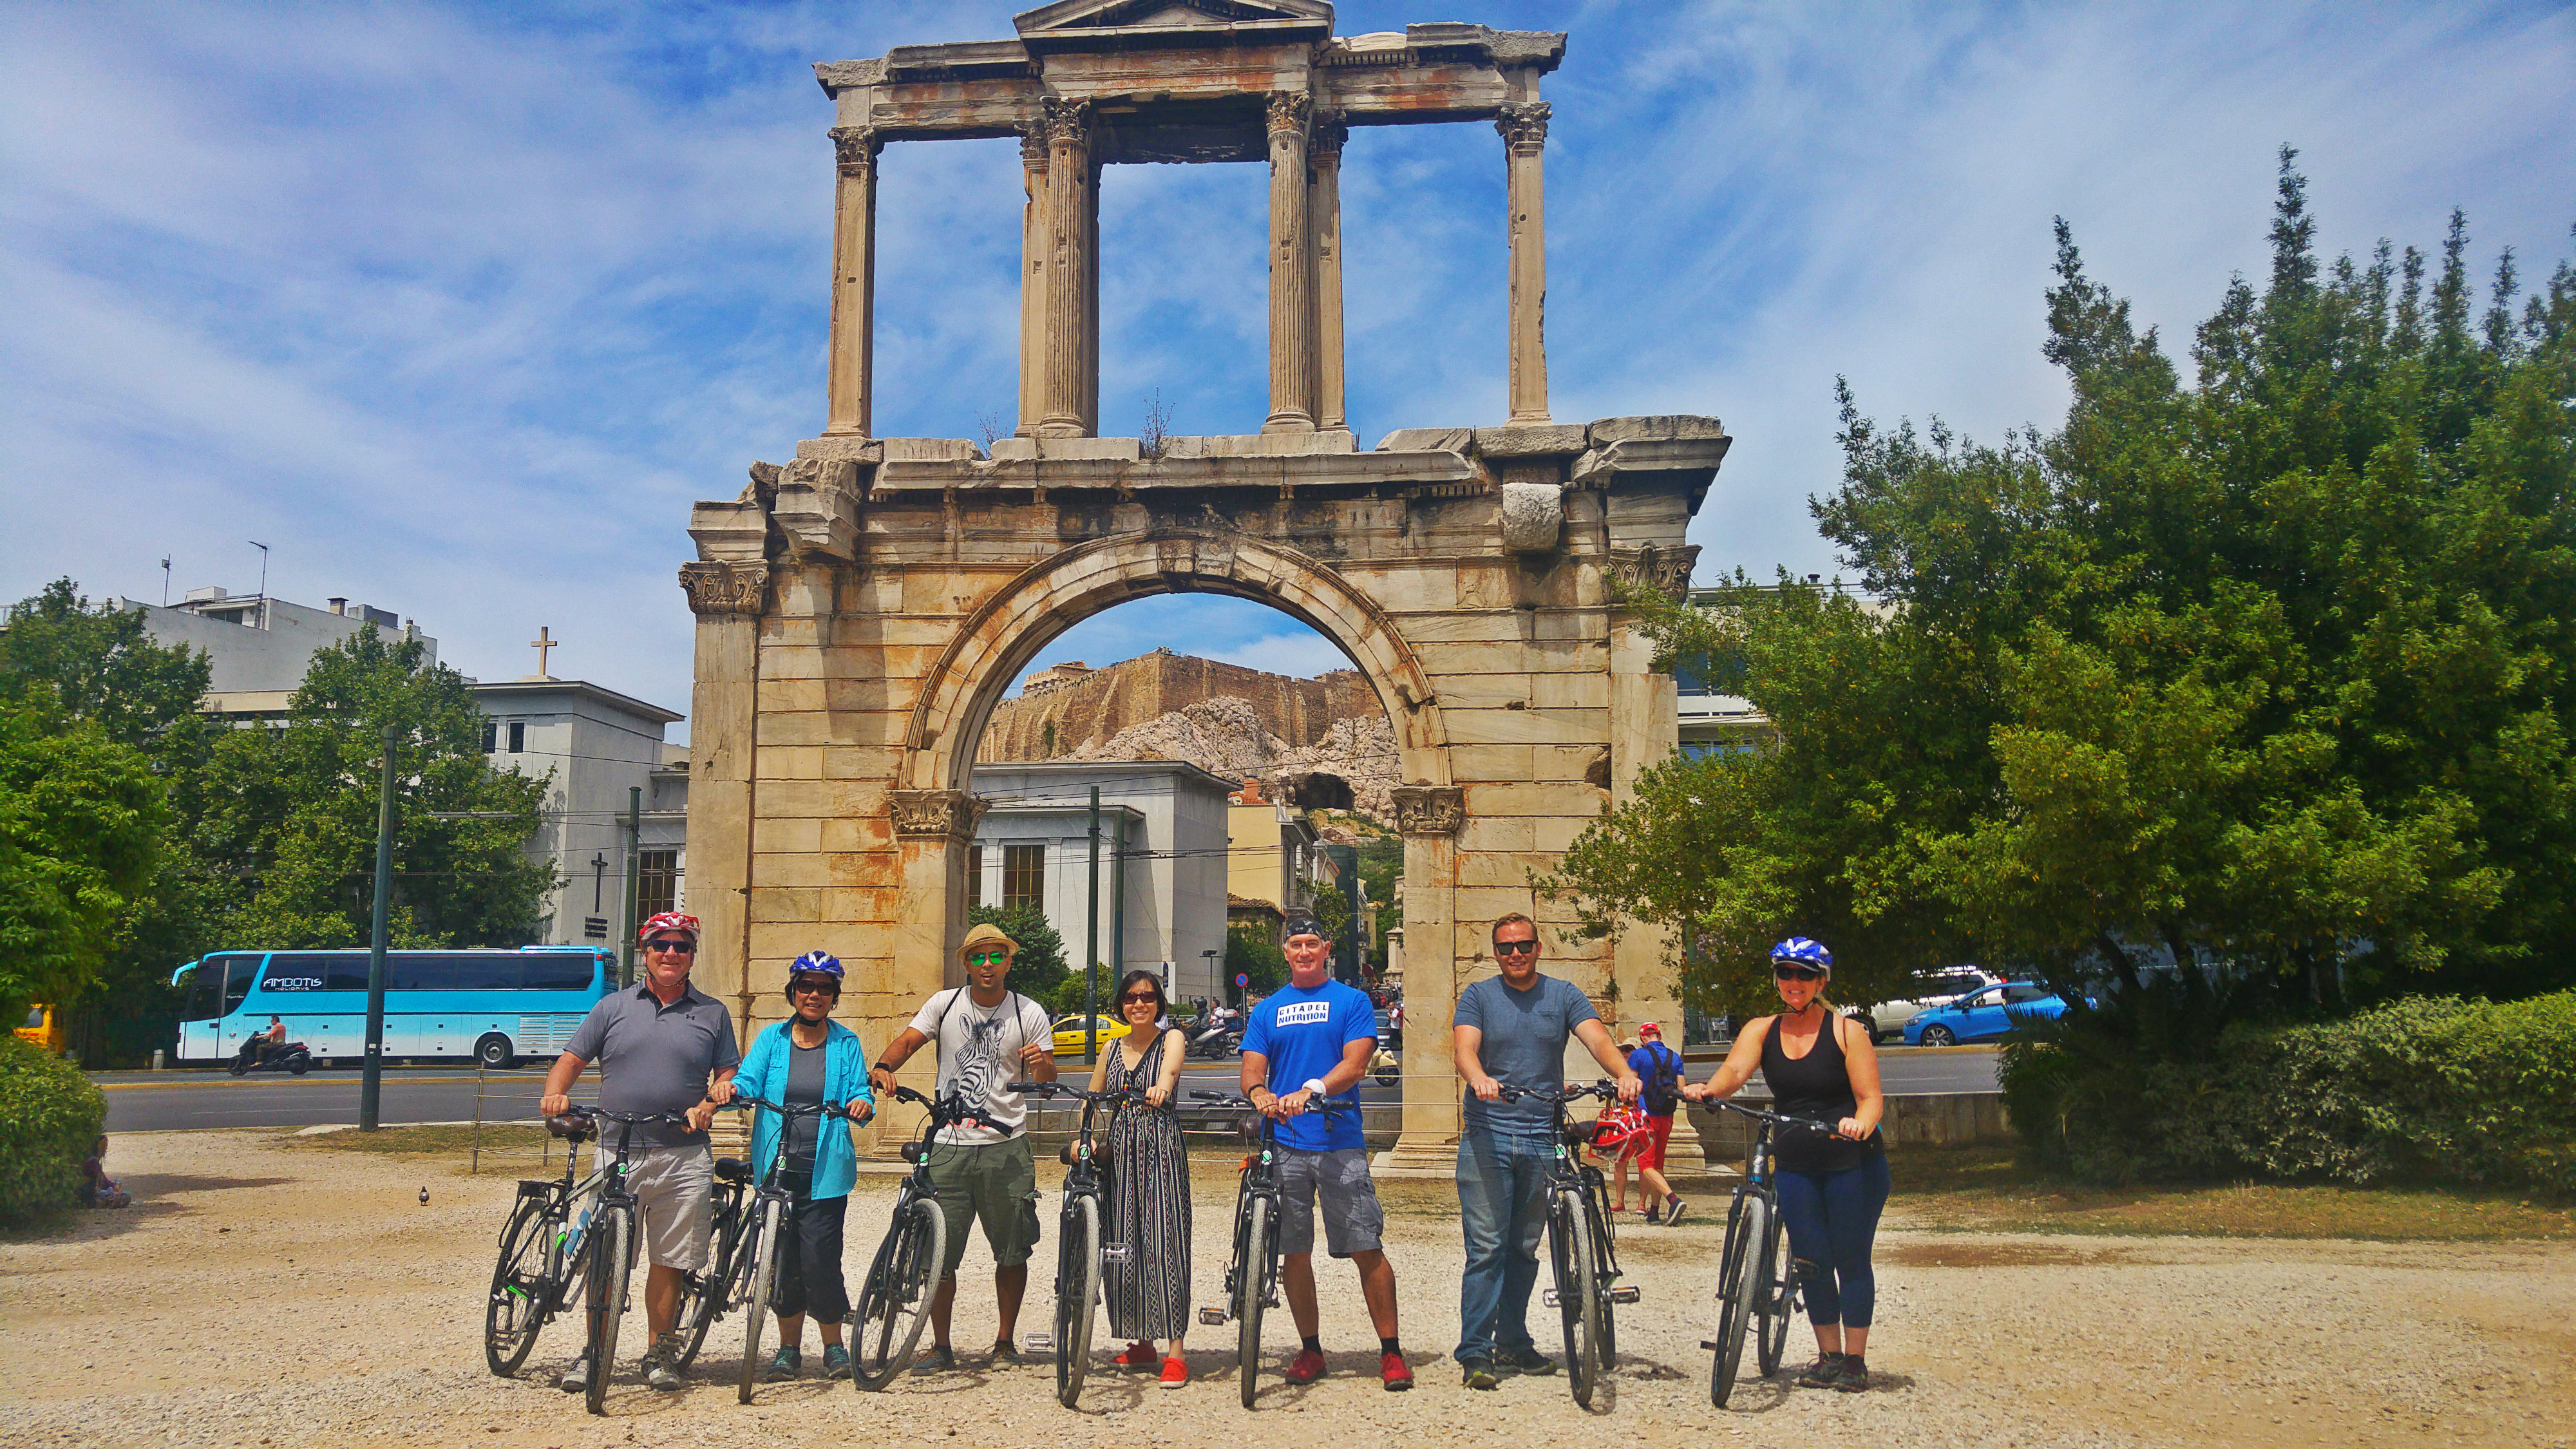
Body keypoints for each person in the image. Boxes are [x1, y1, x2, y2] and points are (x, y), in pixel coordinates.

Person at [539, 911, 741, 1392]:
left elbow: (727, 1073)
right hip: (617, 1148)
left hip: (683, 1152)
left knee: (670, 1259)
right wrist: (555, 1094)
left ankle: (659, 1353)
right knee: (606, 1256)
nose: (671, 953)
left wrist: (711, 1101)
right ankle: (595, 1351)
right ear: (645, 953)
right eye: (661, 946)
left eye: (682, 946)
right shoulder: (612, 1007)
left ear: (692, 955)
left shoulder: (712, 1012)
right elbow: (571, 1059)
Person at [1683, 936, 1886, 1393]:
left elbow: (1871, 1098)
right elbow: (1734, 1071)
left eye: (1805, 974)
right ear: (1777, 979)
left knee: (1851, 1259)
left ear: (1821, 981)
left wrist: (1860, 1124)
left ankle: (1855, 1360)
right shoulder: (1762, 1028)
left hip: (1851, 1161)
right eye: (1786, 974)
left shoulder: (1846, 1032)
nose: (1794, 982)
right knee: (1811, 1260)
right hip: (1795, 1161)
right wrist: (1711, 1091)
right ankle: (1828, 1354)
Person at [1450, 912, 1642, 1389]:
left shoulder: (1563, 995)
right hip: (1488, 1133)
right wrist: (1478, 1078)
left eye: (1523, 945)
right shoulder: (1478, 996)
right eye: (1505, 947)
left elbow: (1596, 1036)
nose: (1515, 954)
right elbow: (1464, 1048)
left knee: (1524, 1247)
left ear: (1539, 948)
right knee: (1488, 1248)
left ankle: (1513, 1340)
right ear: (1495, 953)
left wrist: (1623, 1072)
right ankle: (1476, 1351)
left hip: (1542, 1133)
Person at [867, 921, 1057, 1374]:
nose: (987, 965)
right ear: (966, 964)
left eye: (996, 956)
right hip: (949, 1144)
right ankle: (940, 1345)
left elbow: (1046, 1081)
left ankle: (1005, 1342)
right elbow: (909, 1041)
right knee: (939, 1252)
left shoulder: (1028, 1012)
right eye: (978, 957)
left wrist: (1042, 1063)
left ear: (1009, 961)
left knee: (1012, 1250)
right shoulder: (944, 1003)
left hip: (1005, 1143)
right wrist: (882, 1066)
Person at [1238, 915, 1412, 1391]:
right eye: (1295, 944)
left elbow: (1356, 1063)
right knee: (1294, 1252)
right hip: (1287, 1145)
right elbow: (1253, 1069)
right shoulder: (1267, 1009)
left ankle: (1391, 1352)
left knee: (1365, 1245)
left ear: (1326, 948)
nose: (1304, 951)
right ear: (1286, 952)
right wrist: (1259, 1094)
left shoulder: (1351, 1001)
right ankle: (1310, 1349)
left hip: (1339, 1141)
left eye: (1312, 943)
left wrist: (1310, 1088)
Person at [734, 951, 876, 1382]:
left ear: (834, 997)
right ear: (793, 992)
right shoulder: (771, 1039)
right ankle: (788, 1350)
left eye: (824, 989)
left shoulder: (846, 1042)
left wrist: (861, 1104)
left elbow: (863, 1093)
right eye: (806, 986)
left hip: (825, 1170)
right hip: (777, 1168)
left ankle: (833, 1347)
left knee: (821, 1259)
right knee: (784, 1260)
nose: (814, 995)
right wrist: (732, 1091)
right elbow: (748, 1080)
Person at [1092, 969, 1193, 1386]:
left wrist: (1162, 1089)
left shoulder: (1172, 1038)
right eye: (1132, 998)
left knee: (1165, 1240)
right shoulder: (1111, 1048)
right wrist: (1085, 1137)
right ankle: (1141, 1342)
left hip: (1160, 1149)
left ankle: (1176, 1351)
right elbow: (1094, 1099)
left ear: (1158, 1003)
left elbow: (1169, 1072)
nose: (1139, 1004)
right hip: (1119, 1153)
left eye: (1148, 997)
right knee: (1124, 1242)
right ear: (1121, 1004)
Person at [1625, 1021, 1688, 1225]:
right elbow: (1682, 1089)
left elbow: (1632, 1086)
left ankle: (1673, 1199)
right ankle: (1653, 1212)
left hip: (1646, 1116)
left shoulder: (1638, 1055)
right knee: (1657, 1164)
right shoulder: (1675, 1057)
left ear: (1643, 1038)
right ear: (1659, 1036)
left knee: (1645, 1166)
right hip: (1667, 1117)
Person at [81, 1134, 129, 1209]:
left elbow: (105, 1181)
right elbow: (100, 1183)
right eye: (105, 1148)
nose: (105, 1151)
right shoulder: (93, 1163)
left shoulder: (95, 1162)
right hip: (91, 1196)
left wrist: (114, 1187)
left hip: (95, 1193)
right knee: (123, 1197)